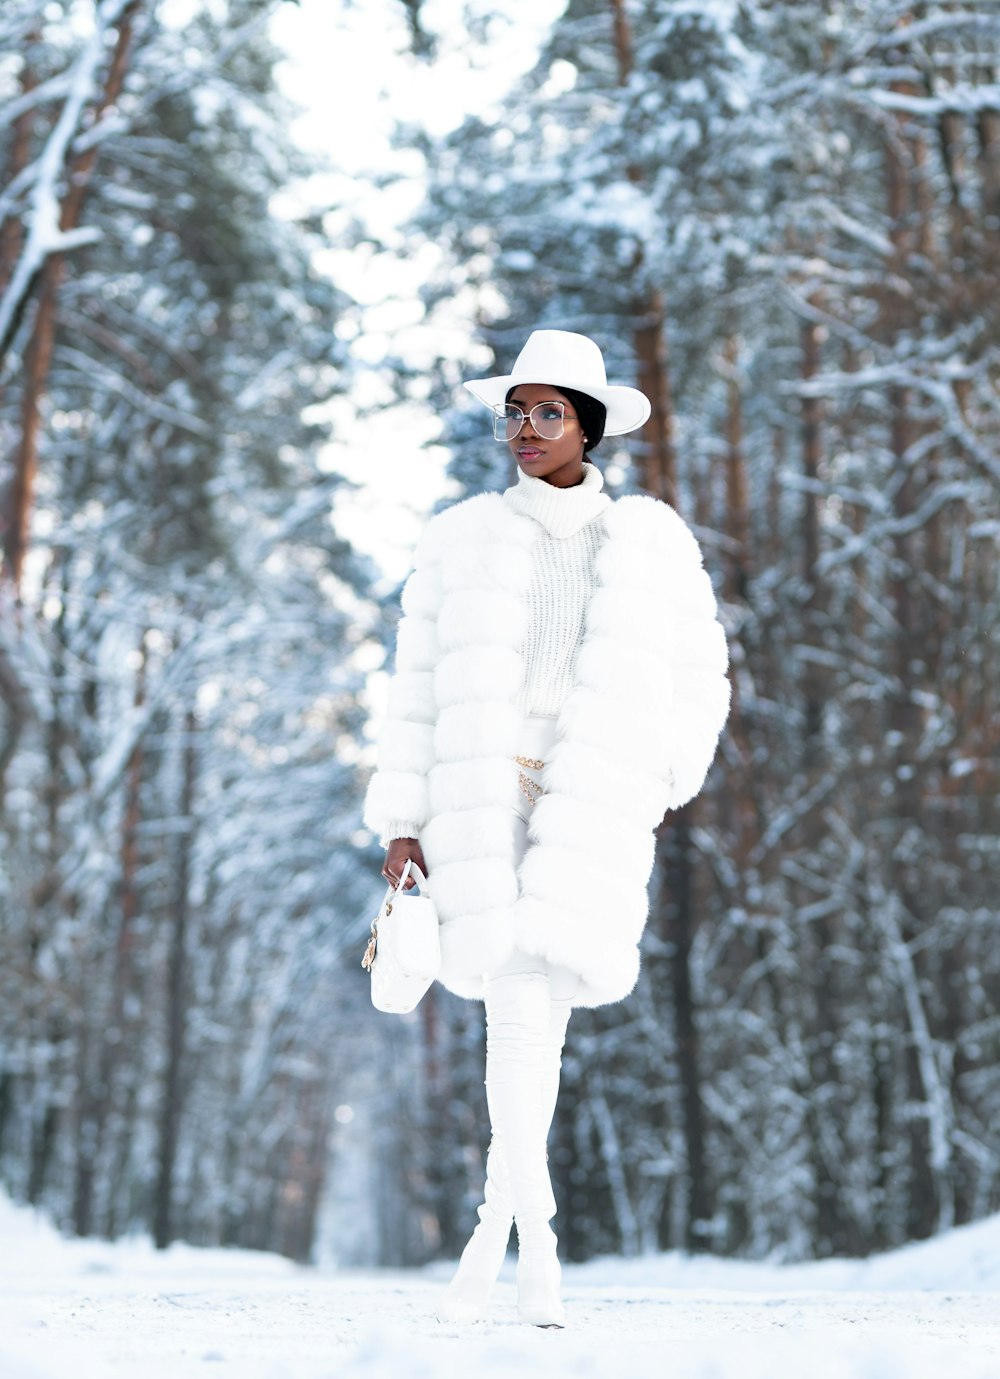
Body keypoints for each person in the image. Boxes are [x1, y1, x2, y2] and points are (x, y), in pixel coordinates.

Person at [363, 329, 730, 1327]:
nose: (526, 428)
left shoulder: (652, 543)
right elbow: (415, 689)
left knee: (541, 1018)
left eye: (549, 411)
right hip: (478, 795)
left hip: (591, 797)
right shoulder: (460, 538)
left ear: (590, 427)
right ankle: (543, 1246)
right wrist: (402, 821)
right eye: (516, 410)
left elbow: (703, 676)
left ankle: (493, 1235)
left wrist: (657, 777)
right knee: (517, 1006)